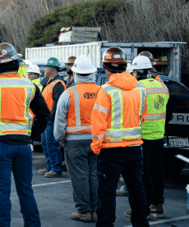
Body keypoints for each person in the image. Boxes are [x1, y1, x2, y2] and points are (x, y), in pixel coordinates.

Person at [0, 43, 50, 227]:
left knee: (2, 193)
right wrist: (32, 135)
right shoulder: (29, 86)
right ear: (16, 63)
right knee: (25, 191)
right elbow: (44, 114)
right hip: (23, 145)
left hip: (0, 146)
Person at [91, 47, 150, 227]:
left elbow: (98, 123)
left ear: (105, 68)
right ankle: (141, 223)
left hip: (111, 151)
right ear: (125, 66)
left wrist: (96, 147)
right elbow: (143, 116)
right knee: (137, 188)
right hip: (134, 148)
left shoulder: (106, 90)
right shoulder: (140, 88)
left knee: (107, 192)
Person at [53, 55, 100, 222]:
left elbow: (60, 120)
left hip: (74, 142)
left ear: (76, 73)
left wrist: (60, 139)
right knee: (93, 175)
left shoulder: (69, 93)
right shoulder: (101, 92)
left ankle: (84, 211)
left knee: (79, 177)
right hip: (96, 140)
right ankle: (94, 209)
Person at [130, 55, 169, 219]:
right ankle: (157, 206)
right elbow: (169, 112)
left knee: (143, 174)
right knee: (158, 172)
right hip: (159, 137)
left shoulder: (137, 88)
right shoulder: (162, 87)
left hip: (142, 137)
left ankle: (143, 208)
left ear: (137, 72)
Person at [40, 57, 66, 178]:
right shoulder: (48, 82)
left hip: (51, 120)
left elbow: (57, 103)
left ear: (52, 68)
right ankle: (50, 166)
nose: (44, 69)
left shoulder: (58, 84)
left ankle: (56, 168)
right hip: (46, 120)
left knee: (51, 144)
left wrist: (51, 118)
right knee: (45, 144)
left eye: (46, 67)